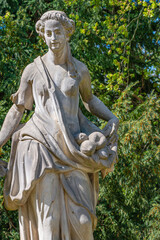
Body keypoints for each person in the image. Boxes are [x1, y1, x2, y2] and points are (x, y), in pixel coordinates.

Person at [0, 10, 119, 240]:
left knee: (84, 223)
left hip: (74, 149)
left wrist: (112, 117)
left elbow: (90, 100)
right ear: (43, 36)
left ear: (67, 34)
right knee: (49, 222)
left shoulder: (79, 70)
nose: (53, 37)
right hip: (40, 146)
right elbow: (18, 109)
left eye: (57, 32)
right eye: (48, 33)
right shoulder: (33, 70)